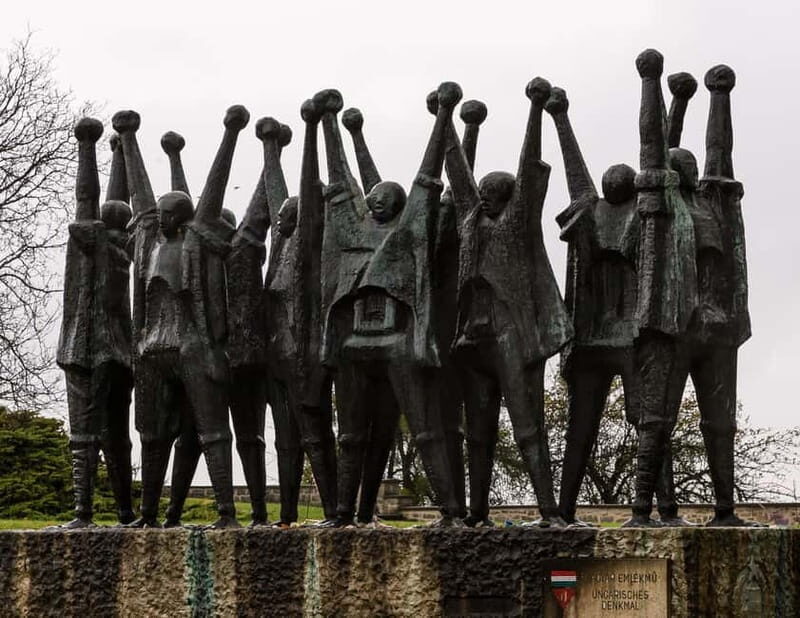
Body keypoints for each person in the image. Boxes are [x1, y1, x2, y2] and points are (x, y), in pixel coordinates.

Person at [318, 83, 464, 527]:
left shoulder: (409, 235)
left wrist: (444, 115)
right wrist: (329, 123)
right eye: (373, 195)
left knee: (424, 429)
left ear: (401, 206)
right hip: (355, 347)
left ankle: (451, 512)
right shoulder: (353, 236)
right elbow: (341, 183)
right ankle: (343, 513)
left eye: (385, 195)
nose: (375, 198)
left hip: (398, 343)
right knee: (351, 436)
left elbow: (426, 178)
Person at [443, 78, 573, 528]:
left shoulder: (518, 221)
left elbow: (530, 162)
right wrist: (445, 119)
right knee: (477, 433)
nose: (480, 195)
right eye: (479, 191)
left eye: (488, 191)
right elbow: (456, 172)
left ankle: (549, 511)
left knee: (527, 425)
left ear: (506, 194)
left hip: (511, 332)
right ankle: (477, 513)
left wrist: (535, 109)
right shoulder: (471, 220)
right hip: (473, 338)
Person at [113, 105, 248, 528]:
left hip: (192, 345)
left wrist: (231, 134)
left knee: (211, 430)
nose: (160, 215)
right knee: (152, 436)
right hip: (152, 349)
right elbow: (139, 198)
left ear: (185, 216)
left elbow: (213, 187)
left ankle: (226, 512)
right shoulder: (149, 239)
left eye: (168, 211)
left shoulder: (199, 238)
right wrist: (130, 141)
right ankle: (149, 515)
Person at [544, 86, 642, 526]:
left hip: (614, 336)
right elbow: (577, 175)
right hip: (606, 337)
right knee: (620, 425)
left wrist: (560, 116)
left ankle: (650, 507)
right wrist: (560, 119)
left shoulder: (638, 214)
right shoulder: (615, 213)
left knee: (641, 424)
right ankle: (568, 509)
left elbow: (578, 176)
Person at [56, 120, 135, 527]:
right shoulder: (125, 247)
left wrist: (87, 145)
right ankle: (126, 513)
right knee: (117, 437)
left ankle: (82, 513)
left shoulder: (92, 242)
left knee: (83, 436)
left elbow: (86, 200)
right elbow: (119, 203)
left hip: (86, 348)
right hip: (120, 353)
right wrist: (120, 152)